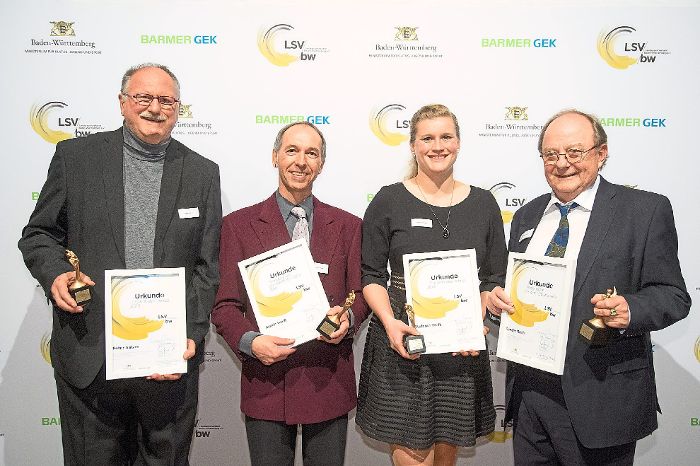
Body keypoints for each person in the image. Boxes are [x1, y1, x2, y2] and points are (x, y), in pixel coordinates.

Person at [18, 63, 222, 465]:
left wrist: (190, 334)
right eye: (143, 97)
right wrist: (56, 274)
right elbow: (39, 234)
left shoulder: (202, 172)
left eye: (166, 100)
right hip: (91, 357)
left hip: (166, 360)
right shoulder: (76, 158)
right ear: (123, 103)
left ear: (178, 108)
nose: (155, 108)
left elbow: (206, 266)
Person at [487, 109, 691, 465]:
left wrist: (630, 309)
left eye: (574, 152)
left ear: (601, 153)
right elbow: (514, 287)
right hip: (530, 396)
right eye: (551, 154)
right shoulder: (527, 215)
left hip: (601, 397)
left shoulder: (644, 210)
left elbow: (673, 295)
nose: (562, 163)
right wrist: (497, 303)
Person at [356, 104, 508, 466]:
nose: (437, 146)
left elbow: (493, 278)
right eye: (427, 138)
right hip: (403, 342)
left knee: (445, 457)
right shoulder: (389, 200)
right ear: (413, 145)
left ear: (458, 143)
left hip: (459, 352)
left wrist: (474, 322)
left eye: (445, 137)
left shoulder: (484, 203)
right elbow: (371, 275)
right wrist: (389, 322)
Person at [211, 121, 369, 466]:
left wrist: (348, 318)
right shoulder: (237, 226)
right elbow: (224, 306)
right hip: (267, 382)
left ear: (321, 164)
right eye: (292, 151)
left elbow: (360, 294)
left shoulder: (349, 226)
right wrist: (251, 342)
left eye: (311, 153)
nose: (301, 161)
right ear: (275, 157)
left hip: (328, 380)